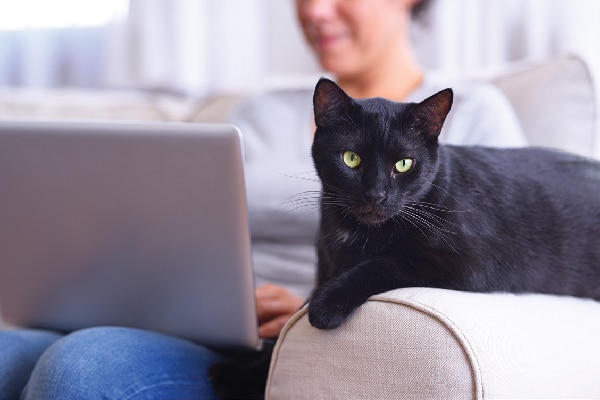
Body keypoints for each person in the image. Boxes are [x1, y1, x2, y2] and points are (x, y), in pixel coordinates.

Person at [0, 0, 526, 398]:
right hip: (192, 320)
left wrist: (316, 306)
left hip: (304, 332)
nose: (315, 12)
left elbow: (484, 269)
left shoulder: (473, 114)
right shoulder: (258, 113)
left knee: (81, 367)